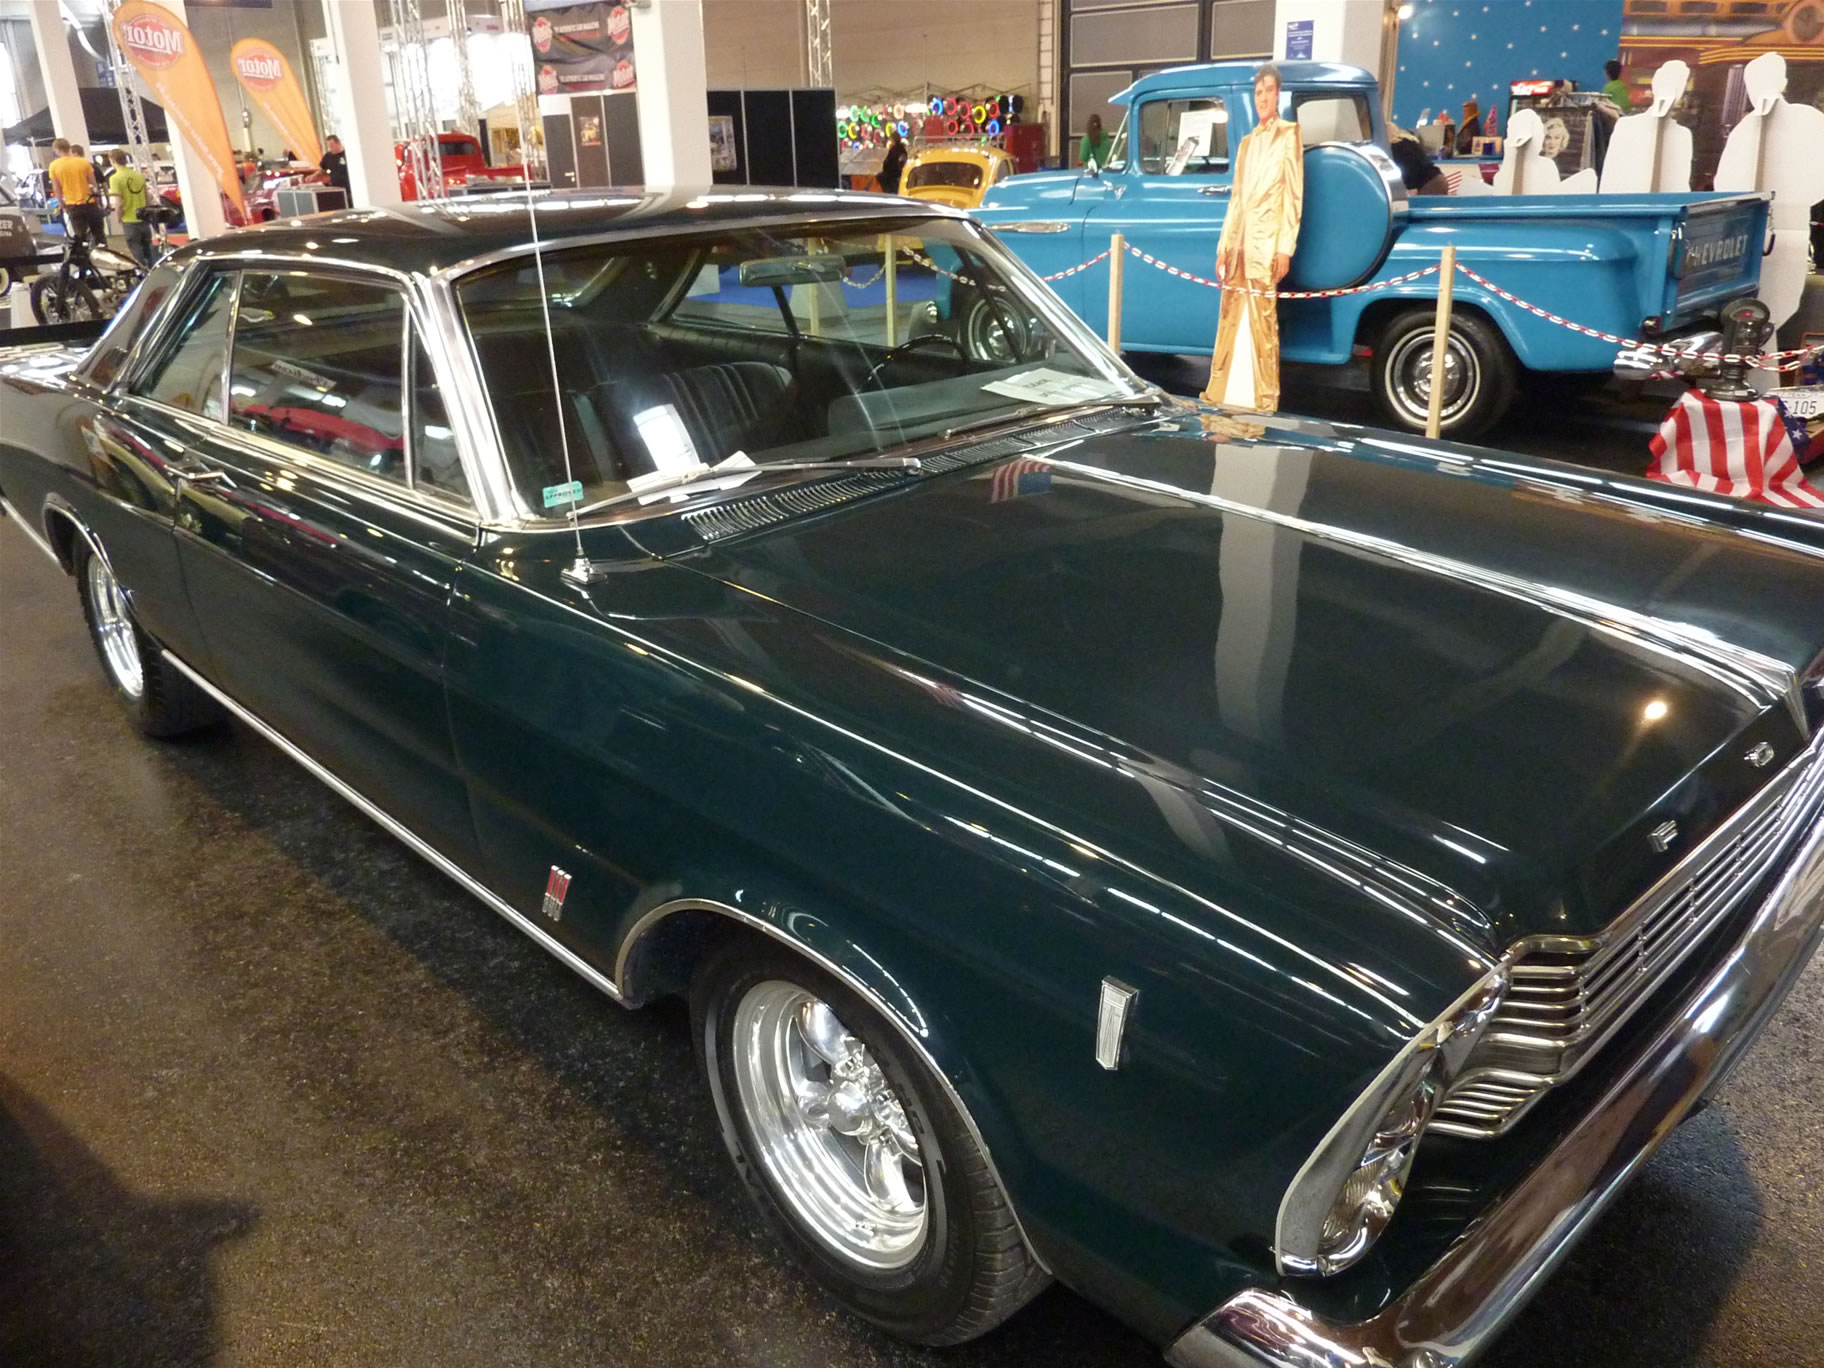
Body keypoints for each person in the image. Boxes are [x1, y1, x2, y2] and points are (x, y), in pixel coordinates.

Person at [1202, 63, 1304, 413]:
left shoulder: (1289, 134)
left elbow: (1293, 195)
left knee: (1263, 318)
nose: (1262, 98)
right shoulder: (1246, 143)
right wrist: (1224, 245)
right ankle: (1222, 391)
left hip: (1266, 242)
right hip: (1239, 242)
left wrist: (1284, 247)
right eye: (1258, 92)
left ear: (1278, 94)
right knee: (1230, 313)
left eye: (1268, 91)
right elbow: (1236, 198)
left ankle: (1264, 399)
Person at [47, 139, 104, 248]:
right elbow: (93, 184)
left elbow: (57, 188)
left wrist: (62, 205)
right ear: (69, 147)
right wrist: (97, 201)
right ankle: (102, 254)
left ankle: (84, 256)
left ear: (57, 150)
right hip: (90, 203)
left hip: (72, 205)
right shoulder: (83, 162)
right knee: (98, 235)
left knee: (80, 237)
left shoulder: (54, 166)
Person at [105, 148, 152, 267]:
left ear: (112, 161)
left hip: (129, 219)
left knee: (136, 251)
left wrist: (119, 217)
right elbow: (148, 197)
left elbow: (119, 203)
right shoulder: (139, 175)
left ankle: (142, 273)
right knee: (149, 250)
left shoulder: (115, 178)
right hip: (143, 217)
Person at [1388, 125, 1449, 195]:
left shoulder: (1396, 146)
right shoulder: (1408, 141)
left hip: (1428, 184)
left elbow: (1409, 167)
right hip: (1437, 180)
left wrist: (1412, 187)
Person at [319, 134, 350, 198]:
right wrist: (314, 176)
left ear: (338, 143)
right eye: (329, 147)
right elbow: (323, 170)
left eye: (331, 146)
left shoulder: (347, 155)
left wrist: (331, 179)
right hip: (331, 190)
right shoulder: (327, 156)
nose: (330, 149)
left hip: (346, 190)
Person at [879, 131, 907, 195]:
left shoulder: (894, 150)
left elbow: (888, 162)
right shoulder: (902, 150)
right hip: (898, 173)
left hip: (892, 174)